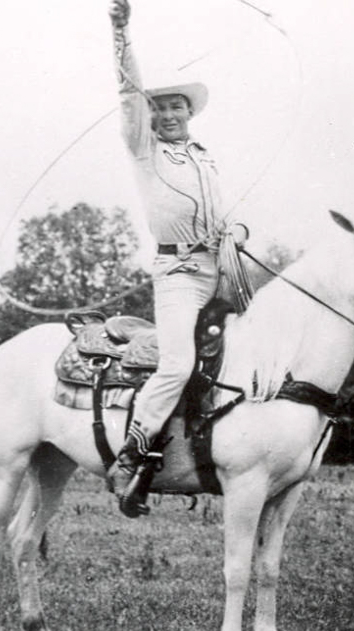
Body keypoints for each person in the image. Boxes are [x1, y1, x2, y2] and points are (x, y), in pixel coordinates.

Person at [107, 0, 247, 517]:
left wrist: (235, 231)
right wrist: (121, 33)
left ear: (189, 112)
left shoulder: (205, 157)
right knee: (177, 362)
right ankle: (133, 454)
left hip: (221, 267)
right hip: (179, 273)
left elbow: (220, 211)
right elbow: (127, 93)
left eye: (175, 107)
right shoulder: (144, 148)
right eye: (160, 107)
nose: (168, 115)